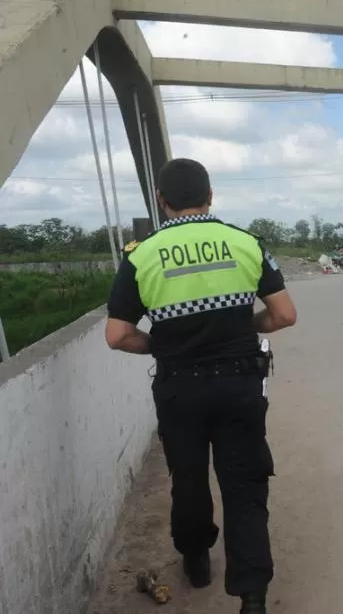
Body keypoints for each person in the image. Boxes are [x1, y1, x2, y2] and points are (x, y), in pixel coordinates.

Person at [104, 157, 297, 614]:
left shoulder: (142, 255)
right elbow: (284, 315)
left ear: (161, 200)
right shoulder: (244, 242)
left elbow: (118, 335)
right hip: (239, 386)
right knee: (245, 485)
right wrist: (244, 326)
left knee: (188, 480)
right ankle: (252, 596)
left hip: (179, 390)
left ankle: (196, 560)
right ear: (210, 196)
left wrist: (164, 346)